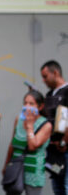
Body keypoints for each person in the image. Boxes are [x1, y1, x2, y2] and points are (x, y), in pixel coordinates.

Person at [3, 90, 52, 195]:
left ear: (40, 107)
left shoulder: (46, 125)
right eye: (25, 103)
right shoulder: (18, 120)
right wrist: (6, 165)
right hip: (16, 169)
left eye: (31, 104)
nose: (27, 107)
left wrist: (30, 127)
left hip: (33, 172)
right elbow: (12, 144)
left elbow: (32, 146)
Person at [40, 60, 68, 195]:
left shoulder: (67, 91)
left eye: (45, 76)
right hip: (53, 151)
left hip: (65, 149)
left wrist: (64, 142)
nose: (43, 80)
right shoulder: (49, 95)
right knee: (58, 188)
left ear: (55, 73)